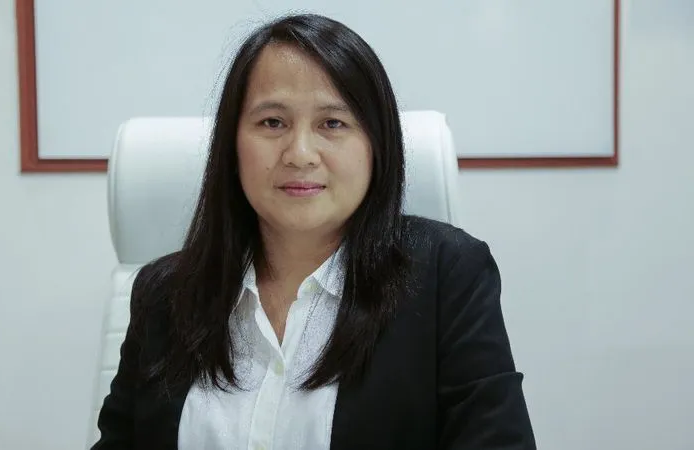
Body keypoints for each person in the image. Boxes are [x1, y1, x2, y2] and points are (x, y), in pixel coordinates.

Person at [92, 13, 535, 450]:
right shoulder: (164, 294)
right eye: (272, 123)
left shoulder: (447, 275)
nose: (300, 154)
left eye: (332, 124)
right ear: (232, 145)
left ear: (375, 145)